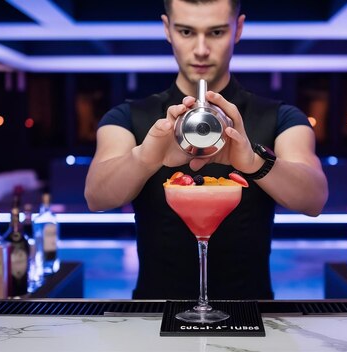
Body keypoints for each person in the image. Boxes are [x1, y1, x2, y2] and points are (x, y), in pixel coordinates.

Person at [85, 0, 328, 300]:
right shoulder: (128, 116)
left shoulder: (280, 117)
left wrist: (254, 161)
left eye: (215, 32)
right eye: (186, 31)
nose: (201, 49)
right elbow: (96, 196)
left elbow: (314, 199)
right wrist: (148, 156)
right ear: (167, 29)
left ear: (237, 29)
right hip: (152, 314)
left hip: (254, 314)